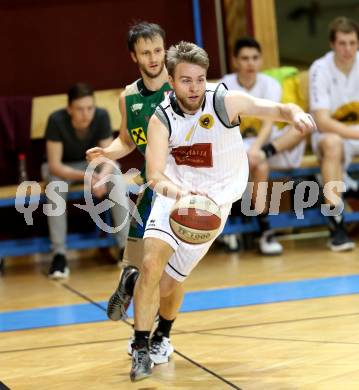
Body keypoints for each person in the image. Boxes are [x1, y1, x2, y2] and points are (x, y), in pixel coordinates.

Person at [129, 41, 316, 382]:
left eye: (200, 79)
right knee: (150, 264)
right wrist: (178, 191)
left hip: (214, 203)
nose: (195, 87)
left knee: (167, 286)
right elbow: (154, 174)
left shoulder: (223, 102)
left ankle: (163, 335)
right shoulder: (162, 118)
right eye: (186, 80)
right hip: (175, 193)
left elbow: (275, 108)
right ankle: (140, 346)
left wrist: (295, 114)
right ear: (171, 81)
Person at [86, 22, 179, 364]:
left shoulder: (181, 85)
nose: (154, 58)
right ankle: (146, 332)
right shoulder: (128, 97)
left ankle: (159, 336)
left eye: (158, 50)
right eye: (145, 52)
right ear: (133, 56)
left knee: (166, 274)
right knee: (143, 268)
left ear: (165, 50)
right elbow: (126, 140)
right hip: (151, 185)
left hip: (182, 188)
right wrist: (106, 153)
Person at [221, 37, 310, 255]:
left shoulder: (270, 84)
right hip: (236, 146)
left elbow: (269, 123)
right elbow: (224, 127)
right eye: (245, 58)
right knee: (259, 166)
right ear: (235, 61)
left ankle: (264, 154)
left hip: (267, 144)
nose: (250, 63)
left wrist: (259, 149)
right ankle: (264, 230)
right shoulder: (225, 85)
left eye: (254, 58)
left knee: (302, 127)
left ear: (260, 61)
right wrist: (248, 153)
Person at [44, 83, 129, 279]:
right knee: (54, 186)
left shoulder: (101, 116)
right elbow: (55, 166)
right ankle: (59, 255)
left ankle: (125, 249)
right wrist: (89, 178)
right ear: (69, 109)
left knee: (114, 175)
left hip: (94, 164)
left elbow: (109, 157)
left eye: (89, 108)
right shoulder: (56, 120)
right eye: (80, 109)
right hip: (64, 168)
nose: (86, 113)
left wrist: (100, 178)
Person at [309, 16, 359, 251]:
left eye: (352, 43)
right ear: (332, 44)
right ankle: (336, 223)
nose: (347, 49)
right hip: (331, 132)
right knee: (332, 143)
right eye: (342, 43)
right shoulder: (320, 69)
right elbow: (321, 120)